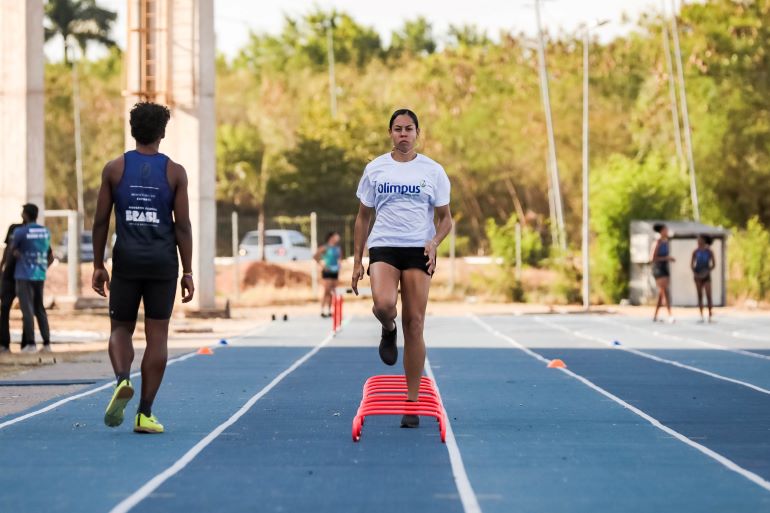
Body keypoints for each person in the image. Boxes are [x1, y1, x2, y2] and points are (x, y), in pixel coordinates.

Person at [92, 102, 194, 434]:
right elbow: (183, 227)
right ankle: (144, 413)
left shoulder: (114, 169)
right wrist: (188, 270)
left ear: (133, 130)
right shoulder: (175, 172)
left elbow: (100, 222)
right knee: (157, 337)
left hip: (127, 260)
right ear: (162, 133)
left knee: (120, 328)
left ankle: (123, 379)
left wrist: (97, 264)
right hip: (163, 262)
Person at [351, 108, 453, 429]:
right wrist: (357, 260)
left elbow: (446, 218)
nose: (404, 134)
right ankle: (387, 328)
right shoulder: (375, 169)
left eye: (409, 129)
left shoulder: (433, 171)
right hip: (384, 245)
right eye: (398, 129)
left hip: (418, 248)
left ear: (418, 133)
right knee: (383, 305)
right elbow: (363, 217)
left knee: (416, 323)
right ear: (390, 133)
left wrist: (435, 242)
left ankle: (412, 402)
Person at [10, 204, 54, 352]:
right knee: (39, 308)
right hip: (39, 274)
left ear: (25, 215)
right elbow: (50, 256)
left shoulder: (20, 232)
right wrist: (42, 267)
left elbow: (13, 251)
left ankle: (30, 343)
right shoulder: (45, 232)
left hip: (24, 274)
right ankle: (47, 343)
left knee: (27, 309)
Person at [0, 222, 22, 353]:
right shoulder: (14, 228)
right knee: (4, 309)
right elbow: (7, 250)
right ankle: (4, 343)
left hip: (22, 276)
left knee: (28, 311)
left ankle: (27, 343)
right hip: (8, 277)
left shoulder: (27, 233)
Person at [651, 223, 675, 323]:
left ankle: (655, 315)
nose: (667, 231)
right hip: (658, 268)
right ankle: (670, 314)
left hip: (665, 268)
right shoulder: (657, 243)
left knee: (662, 292)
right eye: (665, 230)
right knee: (665, 291)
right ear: (661, 231)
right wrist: (666, 258)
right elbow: (652, 258)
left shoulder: (666, 242)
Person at [314, 231, 342, 318]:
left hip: (335, 271)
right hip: (327, 271)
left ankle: (330, 310)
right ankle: (322, 310)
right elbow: (315, 256)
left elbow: (339, 259)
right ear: (331, 237)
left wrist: (339, 266)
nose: (337, 237)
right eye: (335, 236)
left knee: (333, 292)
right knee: (326, 290)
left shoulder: (338, 248)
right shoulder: (325, 247)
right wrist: (322, 265)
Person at [691, 234, 715, 323]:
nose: (698, 242)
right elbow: (692, 265)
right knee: (700, 295)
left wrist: (707, 272)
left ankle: (710, 315)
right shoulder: (695, 251)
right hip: (698, 275)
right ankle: (701, 316)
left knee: (709, 295)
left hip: (706, 275)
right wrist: (696, 273)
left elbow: (713, 264)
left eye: (700, 240)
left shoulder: (709, 251)